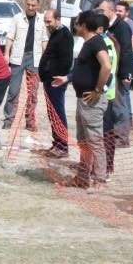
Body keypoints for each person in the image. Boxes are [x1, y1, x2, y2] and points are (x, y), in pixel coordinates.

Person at [52, 10, 111, 193]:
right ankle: (82, 177)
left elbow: (106, 66)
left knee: (94, 141)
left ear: (85, 25)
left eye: (78, 23)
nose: (75, 27)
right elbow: (84, 69)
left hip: (92, 101)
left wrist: (98, 90)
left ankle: (99, 180)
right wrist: (67, 78)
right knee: (83, 141)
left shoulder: (96, 42)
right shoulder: (88, 43)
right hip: (82, 100)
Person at [98, 0, 133, 171]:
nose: (100, 12)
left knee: (120, 108)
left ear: (111, 11)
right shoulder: (106, 28)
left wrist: (126, 72)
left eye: (103, 10)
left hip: (117, 75)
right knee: (111, 113)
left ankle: (122, 137)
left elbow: (126, 50)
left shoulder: (122, 27)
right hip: (108, 77)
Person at [3, 0, 48, 132]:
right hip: (18, 57)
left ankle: (30, 121)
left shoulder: (42, 20)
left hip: (35, 59)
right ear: (25, 3)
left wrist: (46, 58)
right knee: (13, 91)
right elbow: (10, 37)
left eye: (33, 5)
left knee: (33, 92)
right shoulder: (17, 18)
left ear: (38, 5)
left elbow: (44, 40)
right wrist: (6, 54)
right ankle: (8, 119)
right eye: (28, 4)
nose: (30, 7)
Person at [38, 8, 73, 158]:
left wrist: (56, 77)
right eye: (45, 21)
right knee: (52, 113)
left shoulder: (64, 35)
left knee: (58, 112)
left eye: (49, 21)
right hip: (49, 80)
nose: (47, 24)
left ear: (58, 19)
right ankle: (57, 143)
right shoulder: (55, 33)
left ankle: (62, 145)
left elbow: (66, 61)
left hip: (56, 81)